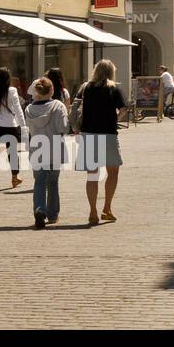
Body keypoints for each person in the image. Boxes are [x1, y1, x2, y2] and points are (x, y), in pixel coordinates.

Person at [74, 59, 126, 226]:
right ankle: (107, 208)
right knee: (113, 173)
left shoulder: (86, 88)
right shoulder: (114, 88)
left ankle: (92, 211)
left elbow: (75, 106)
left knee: (92, 175)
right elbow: (124, 108)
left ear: (95, 71)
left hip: (89, 134)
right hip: (109, 134)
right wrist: (115, 118)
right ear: (111, 72)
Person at [23, 78, 69, 229]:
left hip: (37, 149)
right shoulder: (58, 106)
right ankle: (53, 214)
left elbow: (29, 128)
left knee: (39, 182)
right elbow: (63, 128)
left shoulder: (29, 109)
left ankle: (39, 209)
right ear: (52, 91)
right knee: (53, 182)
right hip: (54, 147)